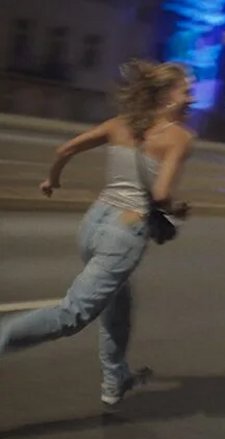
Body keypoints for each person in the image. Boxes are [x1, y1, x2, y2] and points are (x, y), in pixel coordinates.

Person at [0, 59, 195, 406]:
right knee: (72, 315)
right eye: (186, 91)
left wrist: (52, 180)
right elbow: (161, 194)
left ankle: (115, 377)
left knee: (119, 303)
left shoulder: (121, 123)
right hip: (124, 233)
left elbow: (65, 149)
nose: (191, 97)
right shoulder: (180, 137)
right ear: (167, 96)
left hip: (92, 225)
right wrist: (177, 210)